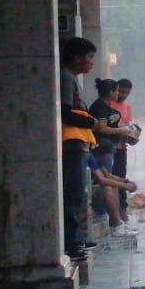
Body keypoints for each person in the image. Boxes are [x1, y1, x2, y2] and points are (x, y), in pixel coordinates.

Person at [59, 38, 99, 261]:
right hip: (73, 144)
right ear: (76, 58)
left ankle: (77, 238)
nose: (91, 62)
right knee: (73, 195)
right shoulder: (65, 77)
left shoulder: (71, 78)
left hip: (80, 145)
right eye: (89, 57)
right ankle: (72, 242)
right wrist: (90, 123)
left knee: (78, 193)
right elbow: (65, 113)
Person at [88, 152, 138, 235]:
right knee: (108, 189)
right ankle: (115, 225)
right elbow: (102, 180)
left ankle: (117, 222)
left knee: (114, 186)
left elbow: (109, 176)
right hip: (87, 191)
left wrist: (126, 181)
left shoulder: (97, 159)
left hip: (92, 188)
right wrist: (126, 186)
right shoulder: (91, 158)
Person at [109, 78, 139, 214]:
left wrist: (133, 137)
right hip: (107, 148)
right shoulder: (108, 104)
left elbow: (129, 127)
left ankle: (122, 209)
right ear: (116, 90)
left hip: (121, 149)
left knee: (121, 176)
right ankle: (111, 210)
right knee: (109, 178)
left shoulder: (128, 107)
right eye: (121, 91)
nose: (124, 95)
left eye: (127, 93)